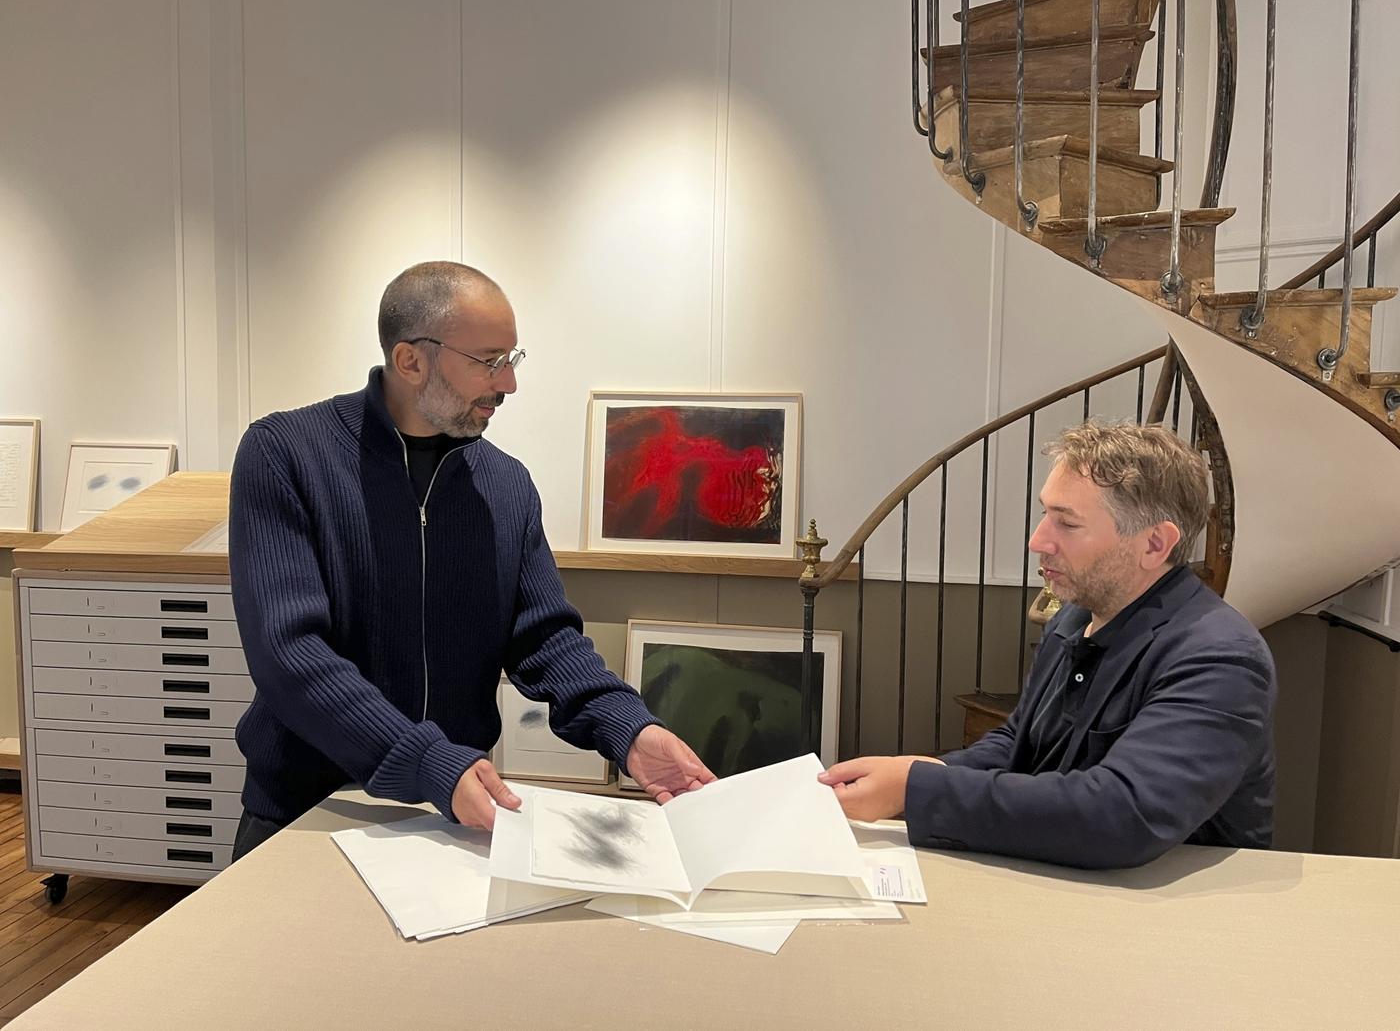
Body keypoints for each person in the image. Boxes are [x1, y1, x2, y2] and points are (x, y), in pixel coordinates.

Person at [227, 261, 715, 859]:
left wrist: (630, 730)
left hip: (451, 820)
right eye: (489, 361)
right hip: (307, 815)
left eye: (513, 358)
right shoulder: (284, 455)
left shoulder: (505, 485)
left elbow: (546, 640)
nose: (508, 383)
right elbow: (290, 656)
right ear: (411, 361)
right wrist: (428, 761)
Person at [818, 420, 1275, 869]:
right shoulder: (1076, 617)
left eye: (1067, 523)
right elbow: (1021, 742)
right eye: (1045, 514)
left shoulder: (1220, 658)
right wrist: (930, 772)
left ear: (1155, 544)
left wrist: (917, 789)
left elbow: (1123, 815)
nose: (1039, 540)